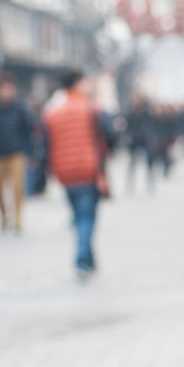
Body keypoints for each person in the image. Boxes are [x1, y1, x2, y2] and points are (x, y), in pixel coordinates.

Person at [43, 71, 109, 281]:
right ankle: (82, 261)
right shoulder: (90, 108)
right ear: (77, 83)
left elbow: (46, 142)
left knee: (78, 216)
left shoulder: (53, 111)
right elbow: (108, 134)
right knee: (86, 218)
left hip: (64, 172)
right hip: (88, 170)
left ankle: (89, 260)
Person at [0, 72, 34, 232]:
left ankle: (18, 218)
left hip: (16, 152)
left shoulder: (20, 108)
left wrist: (28, 151)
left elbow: (28, 130)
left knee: (18, 187)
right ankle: (4, 216)